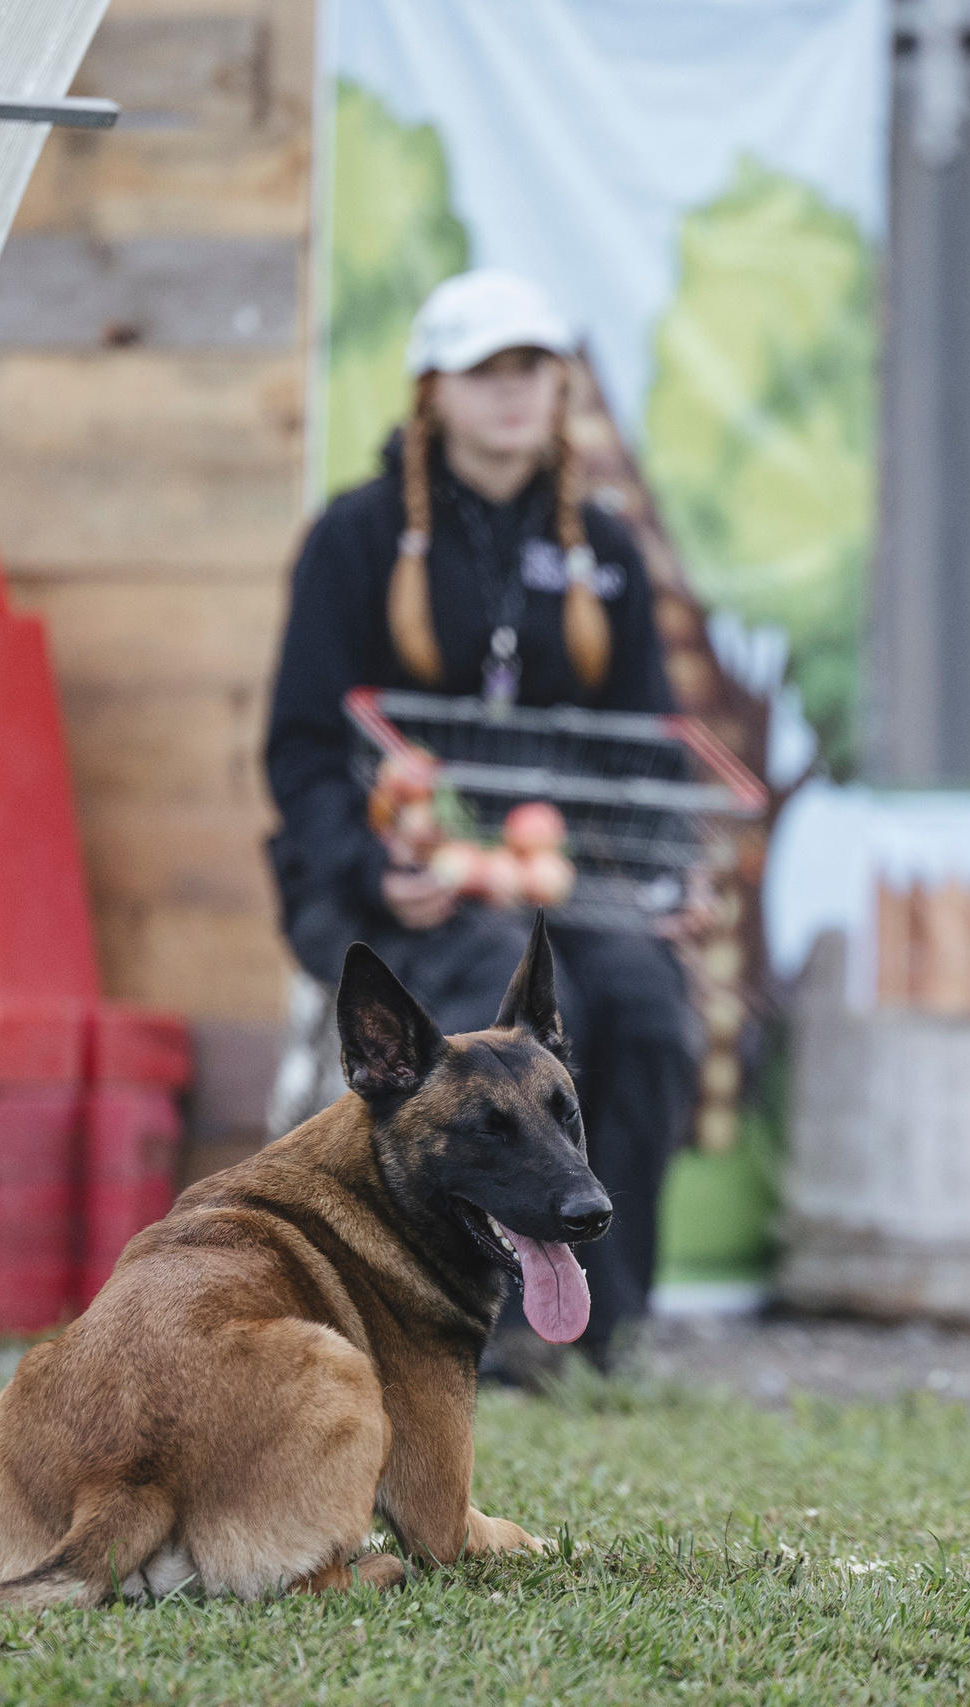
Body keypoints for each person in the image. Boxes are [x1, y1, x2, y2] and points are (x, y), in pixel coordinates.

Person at [264, 269, 701, 1375]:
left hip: (560, 882)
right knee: (497, 995)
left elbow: (642, 750)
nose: (512, 395)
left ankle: (606, 1329)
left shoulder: (602, 548)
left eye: (532, 371)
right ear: (434, 392)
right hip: (383, 890)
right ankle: (482, 1326)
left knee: (641, 1007)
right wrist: (371, 868)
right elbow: (303, 749)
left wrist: (662, 875)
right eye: (486, 372)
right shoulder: (355, 540)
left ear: (559, 392)